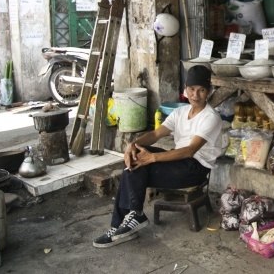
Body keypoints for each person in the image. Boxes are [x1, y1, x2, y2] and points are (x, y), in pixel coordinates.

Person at [93, 65, 224, 248]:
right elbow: (155, 135)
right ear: (185, 89)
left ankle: (124, 222)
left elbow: (190, 150)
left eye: (201, 90)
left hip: (195, 168)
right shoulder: (179, 112)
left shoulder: (211, 117)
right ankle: (127, 221)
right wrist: (133, 145)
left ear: (208, 92)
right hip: (178, 162)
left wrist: (152, 158)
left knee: (138, 166)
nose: (196, 94)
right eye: (192, 89)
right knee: (135, 159)